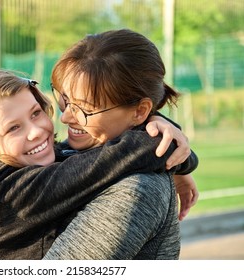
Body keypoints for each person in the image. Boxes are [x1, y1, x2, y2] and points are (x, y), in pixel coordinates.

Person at [0, 68, 196, 259]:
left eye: (35, 113)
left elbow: (98, 150)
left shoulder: (16, 170)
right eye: (13, 128)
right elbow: (117, 157)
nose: (36, 131)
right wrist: (155, 129)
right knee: (149, 187)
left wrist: (164, 136)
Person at [43, 29, 198, 259]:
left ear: (140, 111)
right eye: (65, 100)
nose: (65, 117)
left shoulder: (137, 190)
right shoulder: (80, 149)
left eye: (84, 108)